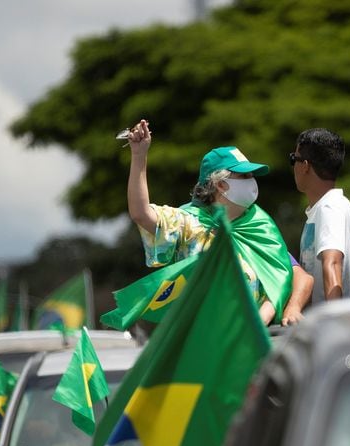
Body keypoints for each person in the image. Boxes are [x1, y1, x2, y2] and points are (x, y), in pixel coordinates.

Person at [125, 119, 313, 325]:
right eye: (245, 175)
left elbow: (294, 277)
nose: (253, 181)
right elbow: (141, 214)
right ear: (221, 184)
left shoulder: (259, 226)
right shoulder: (189, 224)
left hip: (256, 342)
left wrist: (277, 312)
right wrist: (139, 156)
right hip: (206, 341)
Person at [291, 128, 350, 305]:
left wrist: (333, 320)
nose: (293, 166)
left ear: (305, 165)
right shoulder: (331, 206)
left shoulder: (330, 207)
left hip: (329, 326)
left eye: (294, 159)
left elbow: (332, 263)